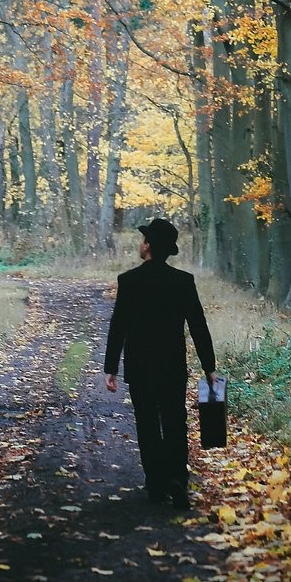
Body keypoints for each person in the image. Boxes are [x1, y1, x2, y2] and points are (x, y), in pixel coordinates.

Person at [103, 217, 216, 507]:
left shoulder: (129, 281)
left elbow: (119, 326)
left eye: (144, 240)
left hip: (141, 367)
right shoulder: (183, 281)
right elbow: (198, 326)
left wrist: (111, 367)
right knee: (176, 421)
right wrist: (209, 366)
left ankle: (156, 483)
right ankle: (178, 479)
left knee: (148, 424)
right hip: (172, 366)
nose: (140, 244)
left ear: (149, 246)